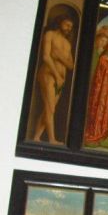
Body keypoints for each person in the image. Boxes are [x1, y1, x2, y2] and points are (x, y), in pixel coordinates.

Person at [32, 14, 75, 144]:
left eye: (71, 26)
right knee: (50, 108)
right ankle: (52, 139)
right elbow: (46, 56)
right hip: (48, 74)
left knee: (49, 108)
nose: (69, 28)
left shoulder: (67, 43)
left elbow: (71, 65)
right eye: (67, 24)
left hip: (61, 78)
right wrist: (56, 75)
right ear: (60, 22)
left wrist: (59, 56)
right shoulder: (50, 34)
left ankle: (36, 137)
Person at [84, 40, 108, 146]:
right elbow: (106, 71)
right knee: (100, 109)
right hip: (103, 89)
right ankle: (96, 132)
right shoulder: (104, 58)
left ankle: (106, 133)